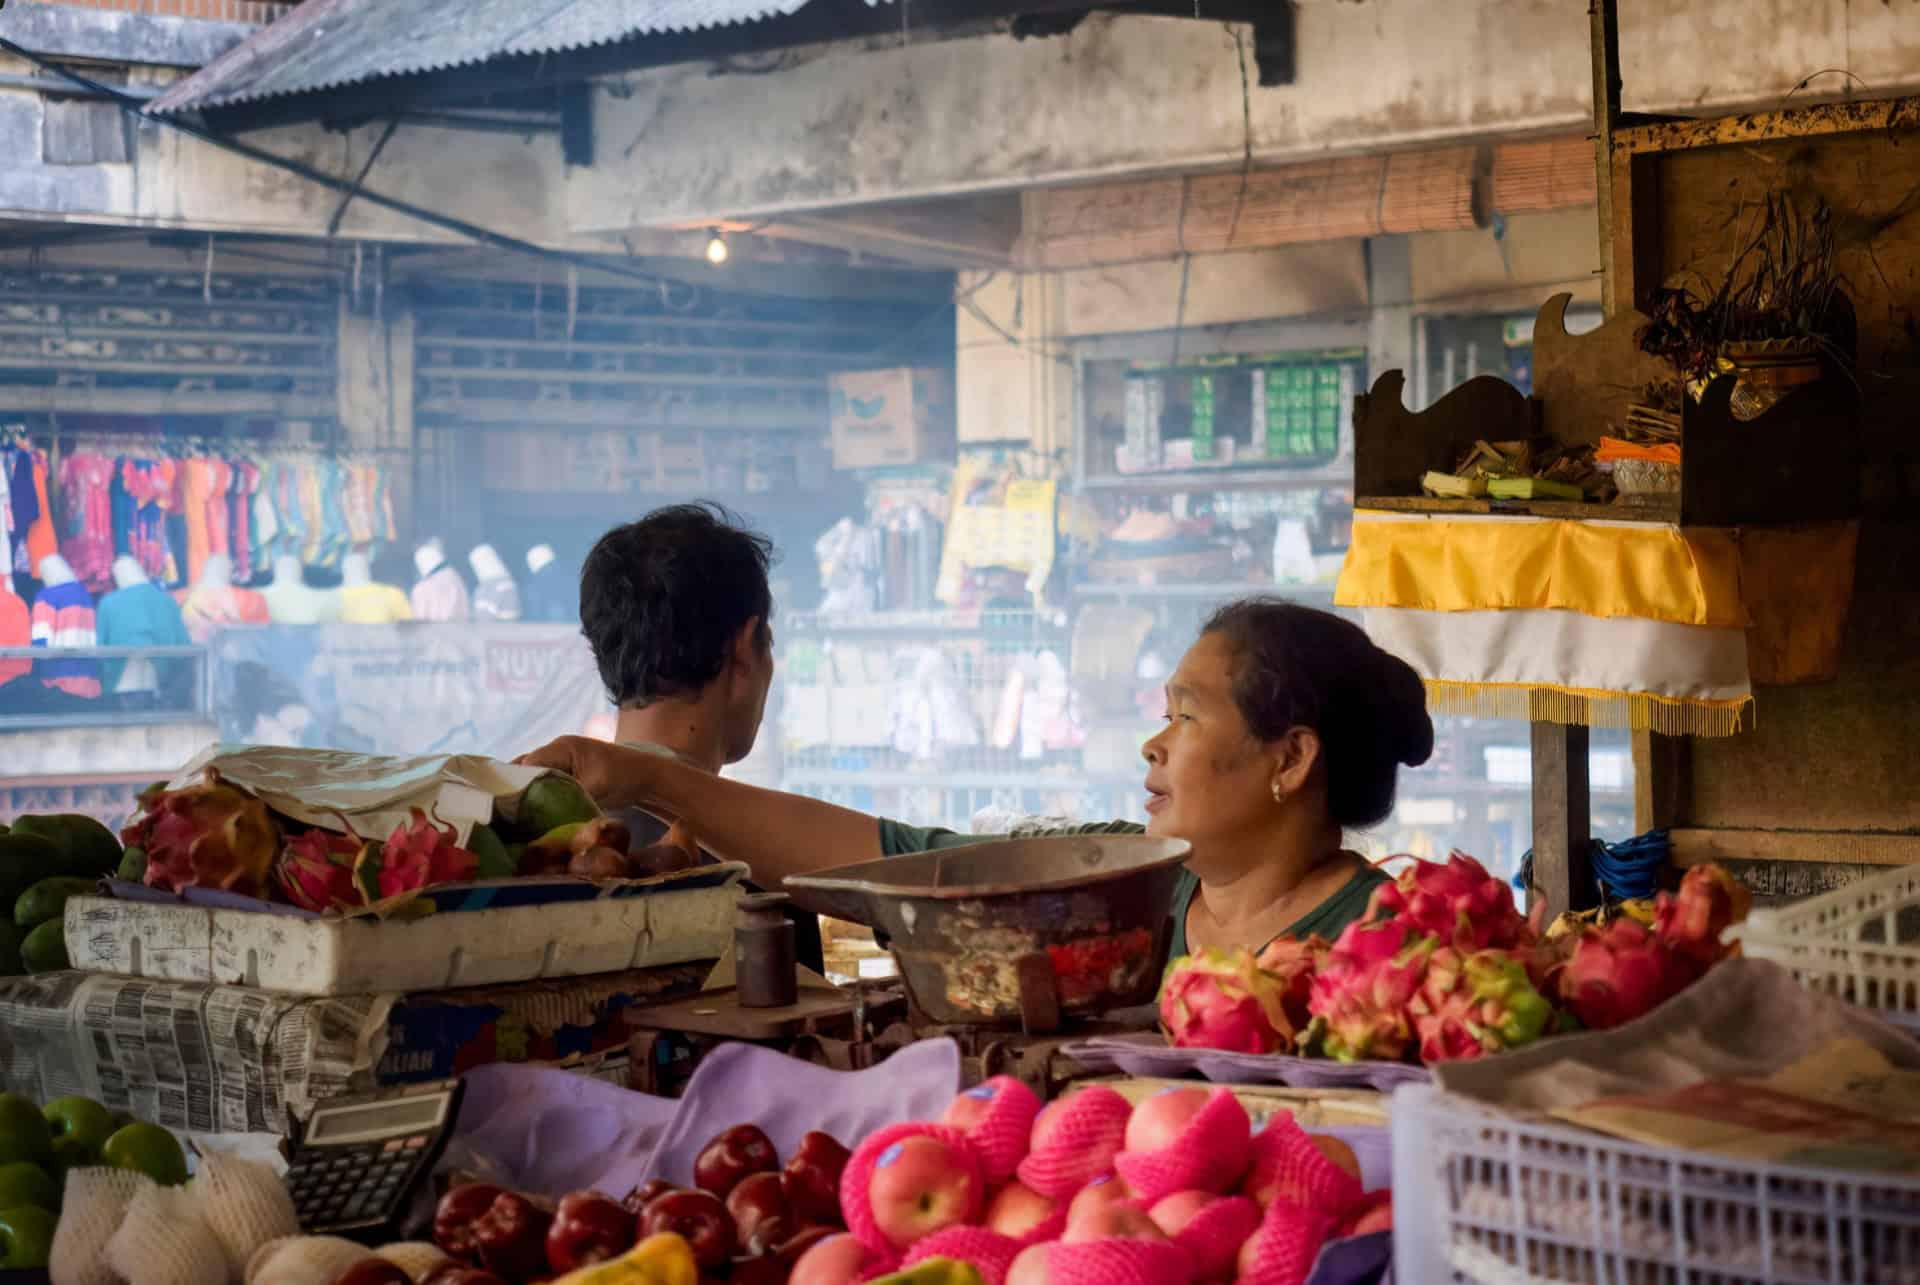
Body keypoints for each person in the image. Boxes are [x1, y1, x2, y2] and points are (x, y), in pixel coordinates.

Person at [522, 597, 1434, 956]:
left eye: (1187, 715)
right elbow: (895, 858)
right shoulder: (1128, 882)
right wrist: (647, 778)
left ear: (1292, 758)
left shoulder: (1389, 943)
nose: (1154, 745)